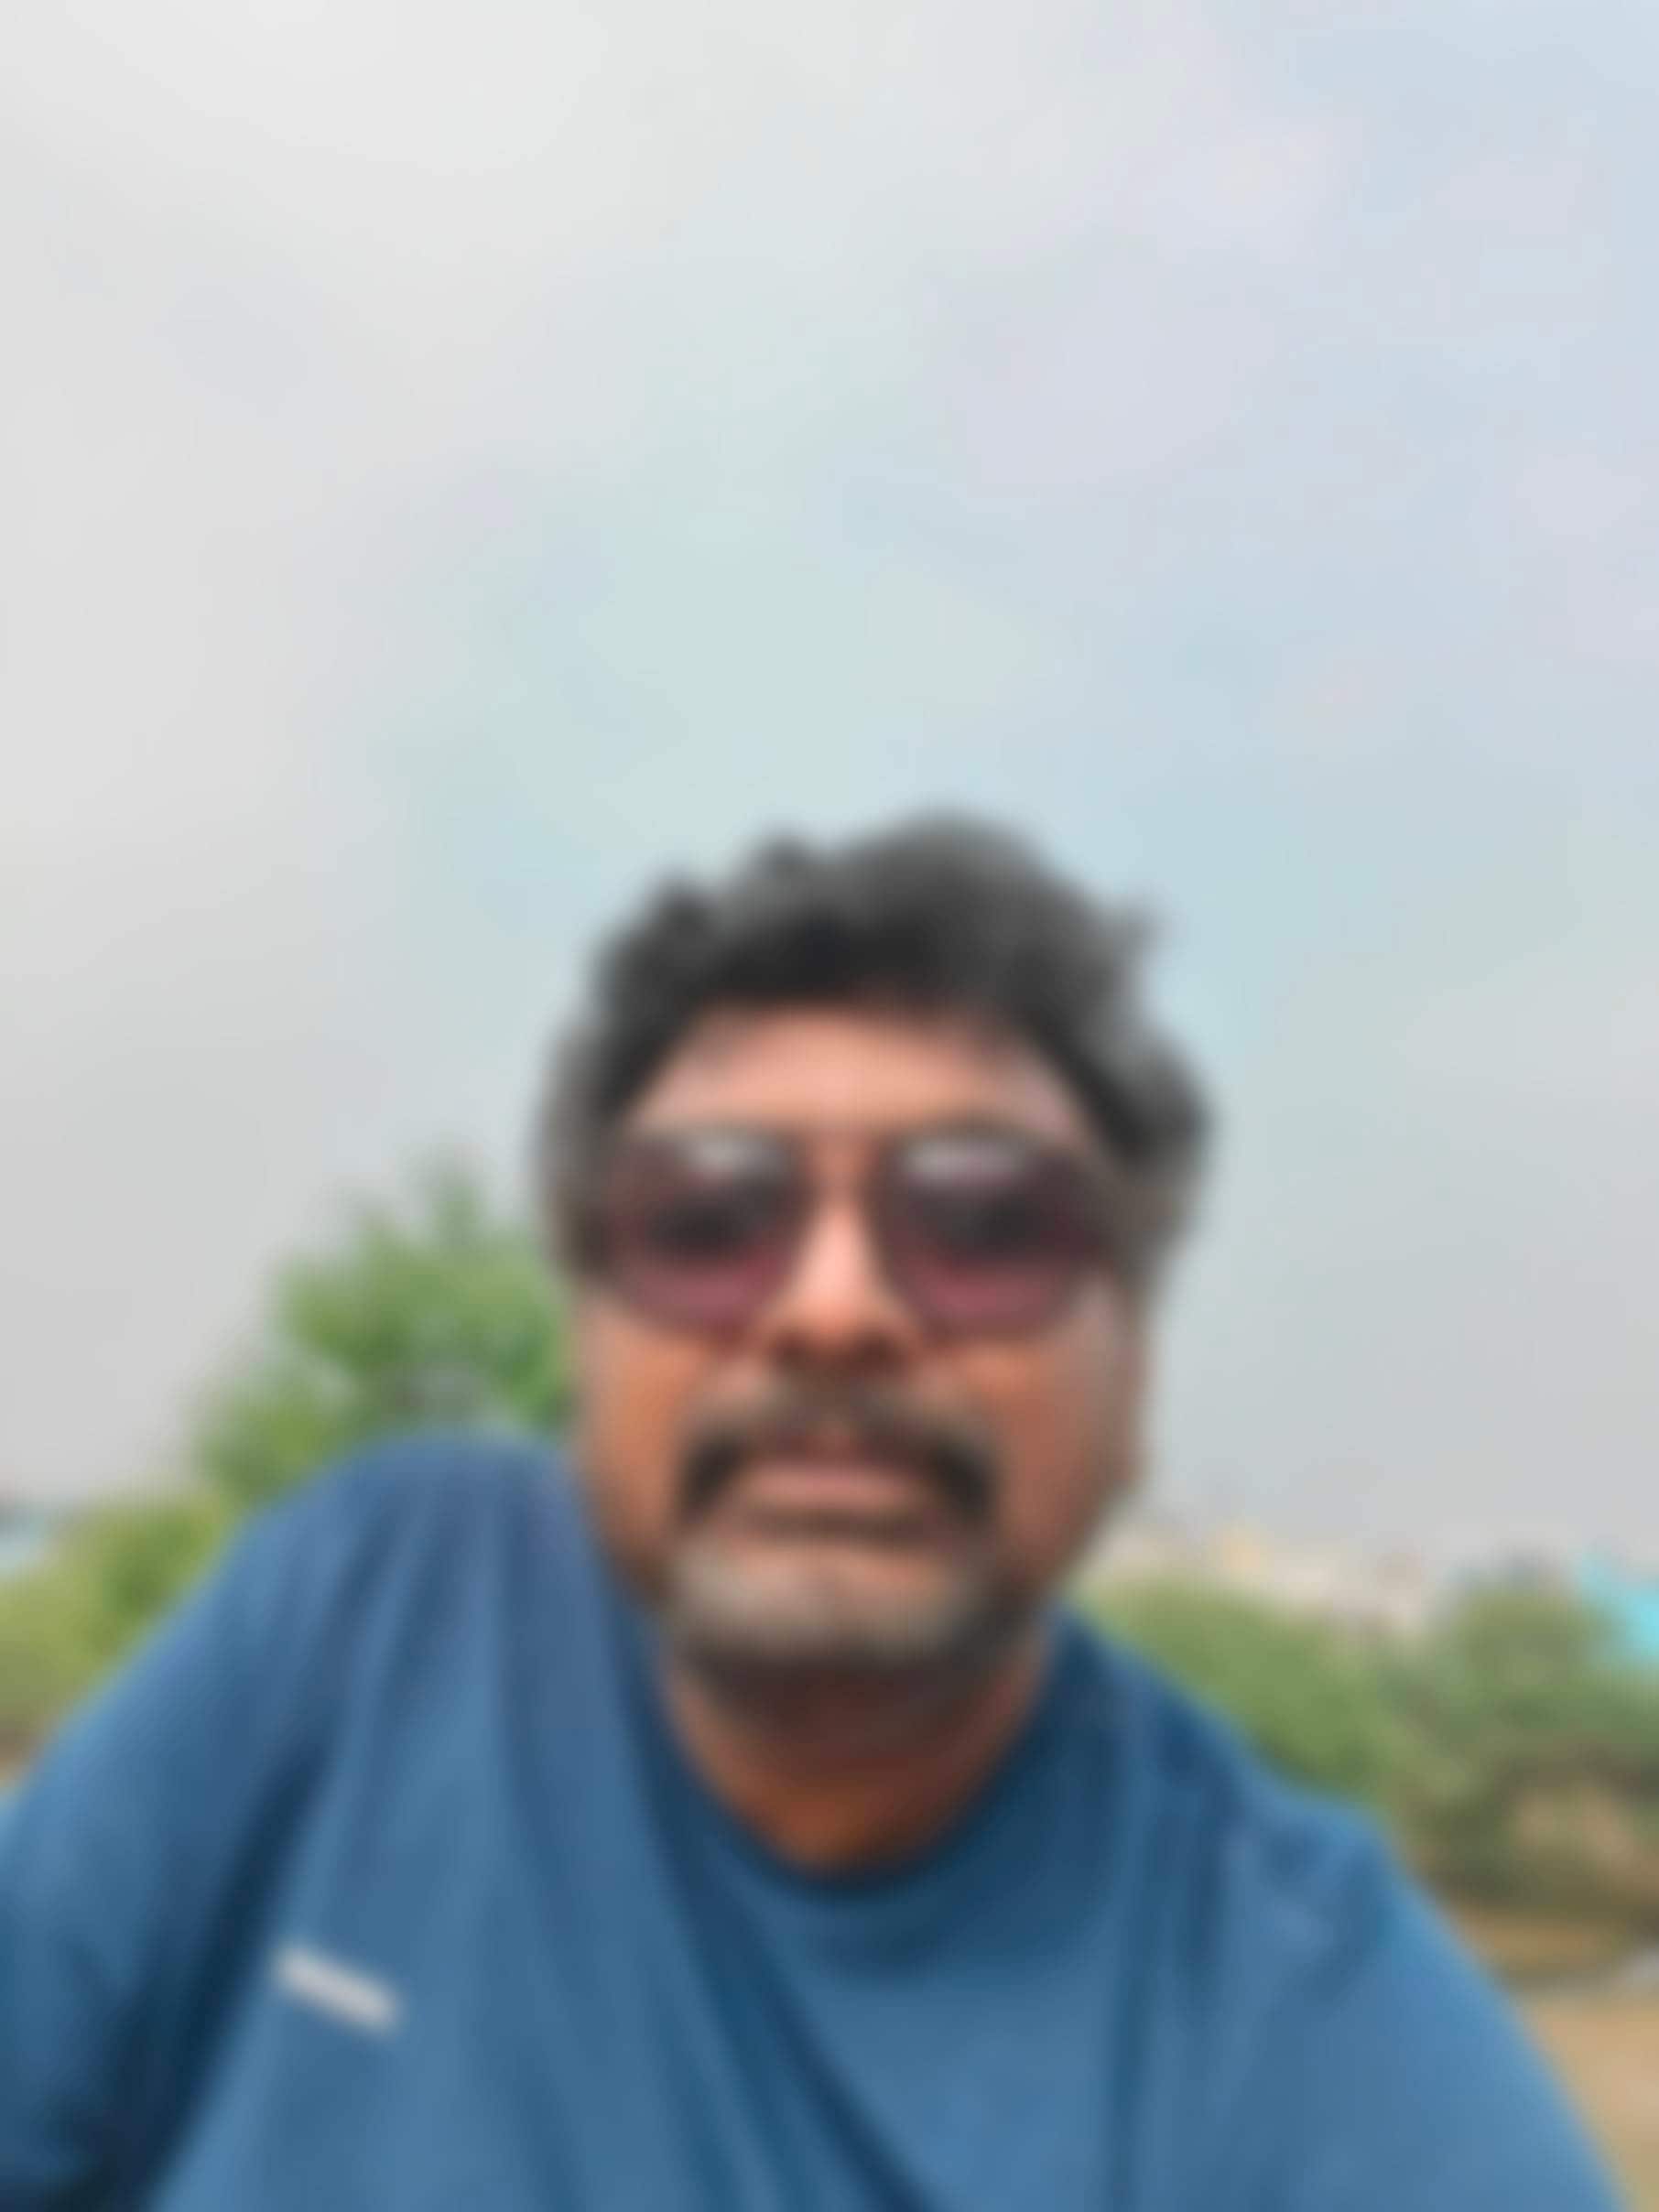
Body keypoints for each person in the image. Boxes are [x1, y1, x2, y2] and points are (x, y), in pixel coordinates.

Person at [0, 819, 1618, 2209]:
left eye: (985, 1227)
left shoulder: (1307, 2041)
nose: (834, 1311)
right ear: (585, 1340)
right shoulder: (365, 1613)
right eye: (707, 1219)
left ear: (1134, 1389)